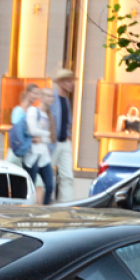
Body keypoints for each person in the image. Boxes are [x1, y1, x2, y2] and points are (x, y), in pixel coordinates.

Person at [7, 84, 41, 189]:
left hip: (28, 153)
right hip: (17, 152)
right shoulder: (18, 111)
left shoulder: (34, 111)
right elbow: (18, 133)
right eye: (34, 93)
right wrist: (32, 138)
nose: (36, 96)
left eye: (38, 94)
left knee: (36, 184)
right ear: (28, 93)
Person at [26, 88, 56, 205]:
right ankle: (28, 209)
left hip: (44, 155)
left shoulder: (49, 115)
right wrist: (46, 136)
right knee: (31, 186)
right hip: (33, 154)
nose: (51, 99)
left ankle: (45, 209)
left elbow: (51, 138)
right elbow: (32, 130)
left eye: (52, 96)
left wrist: (42, 138)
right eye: (48, 96)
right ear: (42, 97)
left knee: (49, 186)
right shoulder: (33, 111)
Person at [51, 69, 76, 202]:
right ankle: (43, 203)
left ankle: (67, 205)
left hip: (65, 142)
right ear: (61, 83)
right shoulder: (52, 98)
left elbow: (68, 122)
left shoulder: (66, 100)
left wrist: (69, 138)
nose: (72, 84)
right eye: (69, 81)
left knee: (67, 176)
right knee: (47, 174)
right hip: (52, 143)